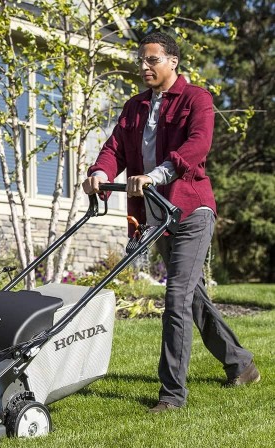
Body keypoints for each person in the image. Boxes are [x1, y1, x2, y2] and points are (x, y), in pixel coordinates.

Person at [82, 32, 260, 413]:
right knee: (193, 299)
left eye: (152, 60)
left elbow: (197, 145)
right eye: (141, 61)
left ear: (173, 61)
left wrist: (157, 174)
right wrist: (99, 173)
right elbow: (115, 149)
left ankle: (172, 395)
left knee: (177, 297)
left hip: (192, 210)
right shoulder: (134, 108)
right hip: (158, 216)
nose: (144, 67)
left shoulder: (197, 99)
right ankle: (241, 364)